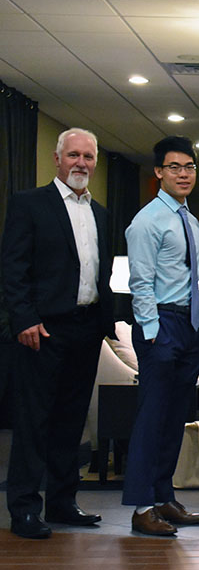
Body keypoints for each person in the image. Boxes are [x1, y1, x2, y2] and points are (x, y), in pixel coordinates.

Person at [2, 128, 114, 539]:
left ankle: (63, 503)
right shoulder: (29, 204)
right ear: (57, 159)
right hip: (42, 330)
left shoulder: (100, 213)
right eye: (73, 155)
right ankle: (25, 509)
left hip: (86, 329)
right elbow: (13, 269)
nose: (80, 163)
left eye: (87, 156)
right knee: (34, 421)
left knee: (71, 420)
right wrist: (25, 319)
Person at [123, 136, 199, 535]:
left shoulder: (190, 220)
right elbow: (139, 282)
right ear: (159, 171)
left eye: (189, 166)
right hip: (160, 325)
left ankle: (163, 497)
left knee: (176, 418)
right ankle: (142, 508)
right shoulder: (147, 221)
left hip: (189, 326)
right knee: (152, 418)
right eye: (174, 167)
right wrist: (152, 332)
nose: (183, 174)